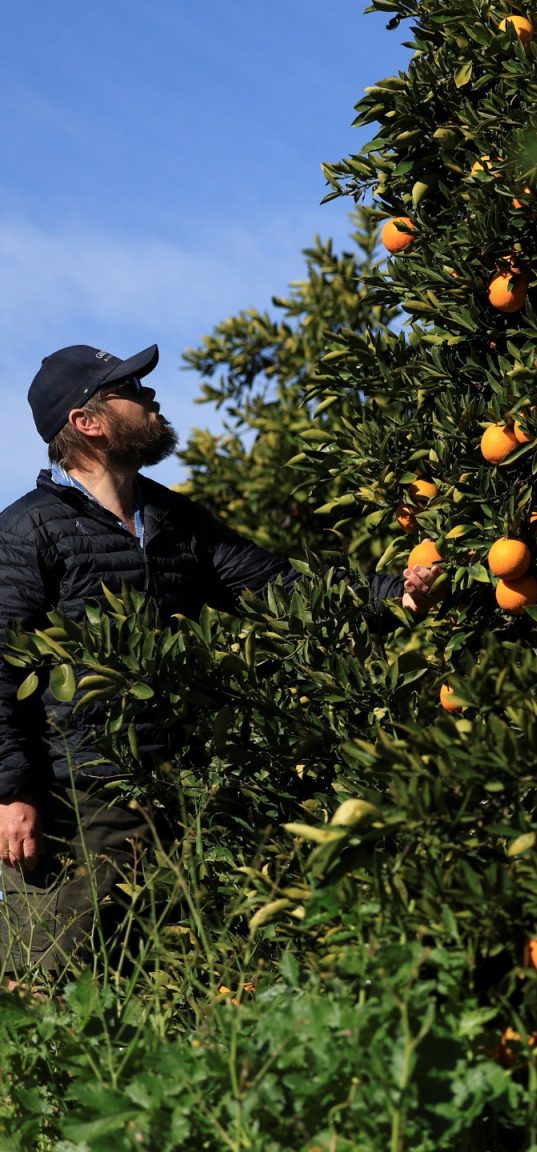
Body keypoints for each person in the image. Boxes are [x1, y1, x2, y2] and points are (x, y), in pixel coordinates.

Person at [0, 342, 441, 980]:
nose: (150, 396)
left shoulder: (175, 519)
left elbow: (280, 588)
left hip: (179, 792)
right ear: (86, 422)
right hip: (77, 800)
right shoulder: (29, 531)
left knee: (167, 986)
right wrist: (11, 793)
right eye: (130, 389)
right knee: (49, 985)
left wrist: (391, 593)